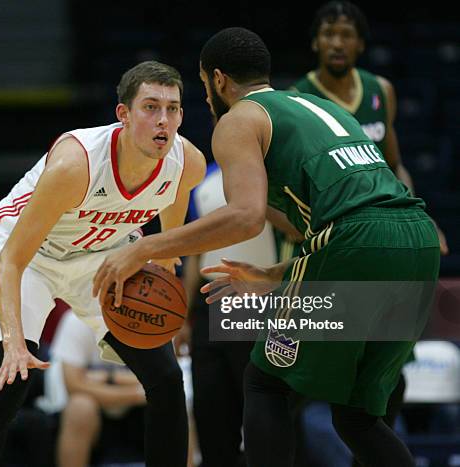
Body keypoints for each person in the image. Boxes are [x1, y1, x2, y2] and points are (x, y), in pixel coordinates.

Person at [93, 27, 440, 467]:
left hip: (358, 238)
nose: (204, 98)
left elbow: (245, 216)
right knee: (356, 415)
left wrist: (142, 248)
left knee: (265, 383)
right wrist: (278, 274)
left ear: (218, 80)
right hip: (418, 239)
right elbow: (355, 204)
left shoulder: (239, 118)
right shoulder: (319, 105)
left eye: (202, 86)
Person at [0, 60, 206, 467]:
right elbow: (12, 259)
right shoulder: (77, 164)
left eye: (173, 109)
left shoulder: (187, 162)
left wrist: (163, 250)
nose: (164, 120)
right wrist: (15, 342)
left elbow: (175, 193)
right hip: (29, 255)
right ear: (123, 114)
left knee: (166, 377)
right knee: (12, 380)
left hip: (100, 257)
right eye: (151, 107)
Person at [286, 0, 448, 259]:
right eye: (328, 34)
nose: (337, 44)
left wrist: (419, 218)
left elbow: (394, 167)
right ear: (316, 42)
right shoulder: (297, 100)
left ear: (360, 44)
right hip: (323, 239)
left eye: (347, 35)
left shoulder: (381, 90)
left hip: (376, 232)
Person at [175, 161, 278, 467]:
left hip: (263, 303)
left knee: (265, 419)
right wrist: (182, 317)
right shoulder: (203, 179)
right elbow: (195, 250)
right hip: (212, 303)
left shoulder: (276, 172)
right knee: (212, 416)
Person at [53, 311, 146, 467]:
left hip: (140, 413)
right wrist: (136, 393)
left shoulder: (153, 318)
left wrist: (108, 378)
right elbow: (74, 385)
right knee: (80, 406)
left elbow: (169, 378)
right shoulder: (76, 320)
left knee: (173, 405)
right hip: (96, 414)